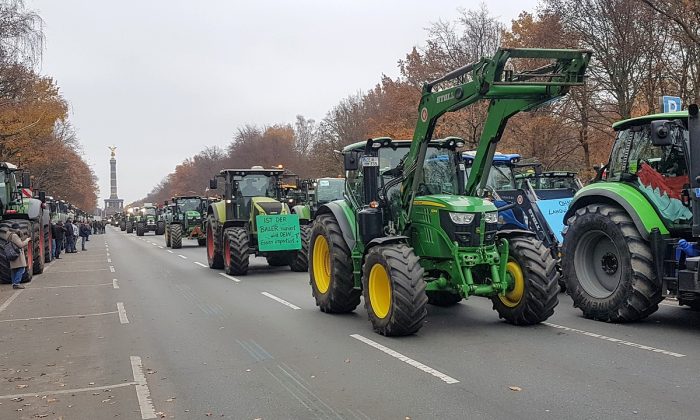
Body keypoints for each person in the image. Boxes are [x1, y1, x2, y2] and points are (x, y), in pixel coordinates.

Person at [3, 223, 31, 289]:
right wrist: (27, 240)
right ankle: (17, 283)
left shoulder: (8, 234)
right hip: (17, 255)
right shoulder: (14, 235)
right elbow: (20, 245)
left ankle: (14, 283)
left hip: (11, 253)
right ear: (16, 228)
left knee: (14, 269)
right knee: (21, 268)